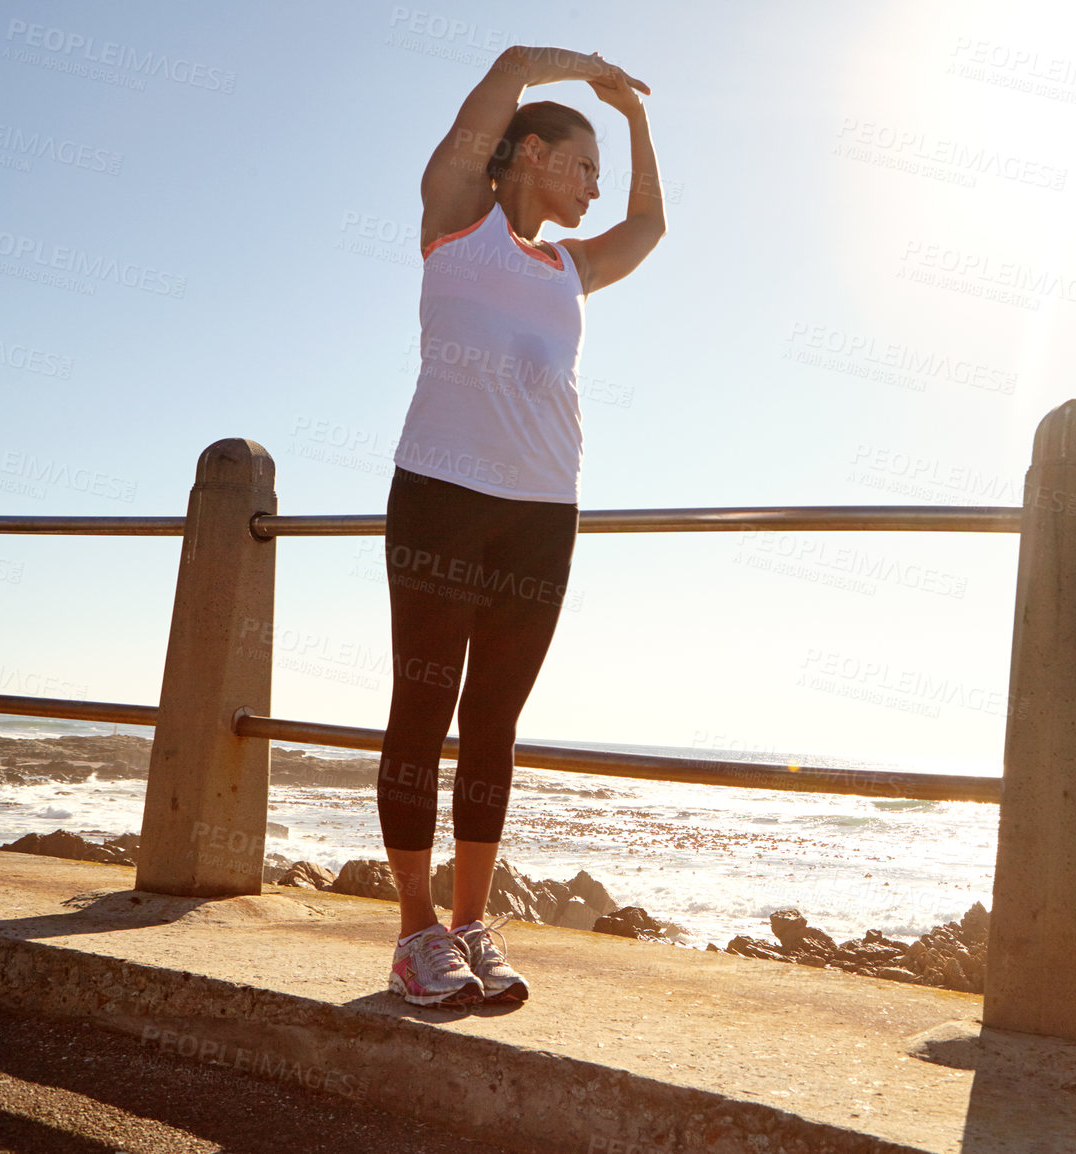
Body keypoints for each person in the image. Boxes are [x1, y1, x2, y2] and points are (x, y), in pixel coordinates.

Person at [377, 44, 665, 1007]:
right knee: (425, 702)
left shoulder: (570, 269)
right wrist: (584, 67)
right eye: (584, 164)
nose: (595, 186)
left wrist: (633, 120)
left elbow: (652, 227)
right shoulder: (458, 218)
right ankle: (414, 932)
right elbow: (504, 66)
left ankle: (469, 923)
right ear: (532, 152)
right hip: (441, 494)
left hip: (544, 508)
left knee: (494, 718)